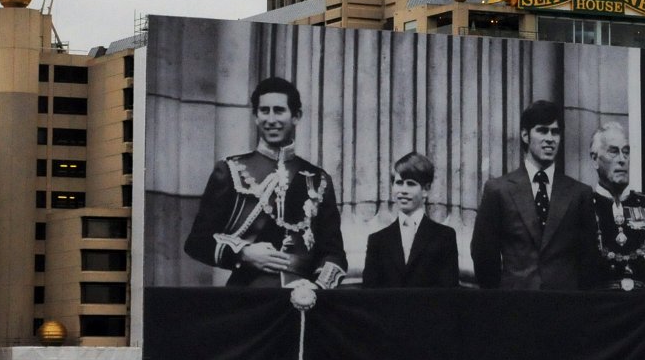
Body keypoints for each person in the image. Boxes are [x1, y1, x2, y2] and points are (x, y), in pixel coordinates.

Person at [183, 76, 347, 288]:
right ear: (255, 116)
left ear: (296, 116)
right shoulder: (231, 170)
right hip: (246, 298)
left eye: (279, 111)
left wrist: (317, 287)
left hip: (303, 300)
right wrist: (244, 253)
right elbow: (197, 242)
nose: (271, 119)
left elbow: (334, 254)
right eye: (264, 111)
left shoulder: (317, 178)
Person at [471, 99, 601, 291]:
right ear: (525, 135)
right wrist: (499, 300)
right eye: (542, 130)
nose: (550, 138)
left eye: (555, 132)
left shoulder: (579, 193)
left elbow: (589, 259)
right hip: (514, 307)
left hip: (565, 308)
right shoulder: (498, 190)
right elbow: (483, 255)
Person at [587, 122, 645, 292]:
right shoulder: (583, 207)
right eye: (613, 152)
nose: (622, 160)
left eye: (626, 152)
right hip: (600, 310)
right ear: (595, 159)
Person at [361, 150, 460, 288]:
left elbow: (449, 292)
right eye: (399, 183)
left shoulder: (444, 237)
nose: (403, 190)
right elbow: (369, 294)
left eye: (411, 184)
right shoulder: (377, 241)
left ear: (426, 189)